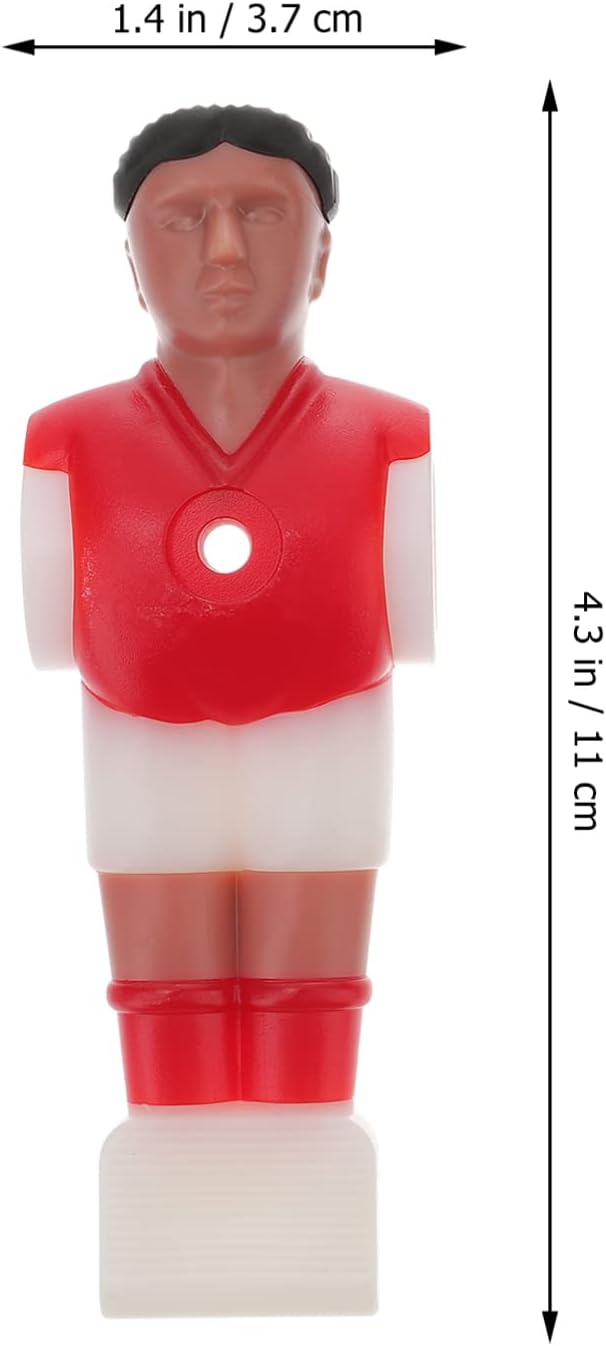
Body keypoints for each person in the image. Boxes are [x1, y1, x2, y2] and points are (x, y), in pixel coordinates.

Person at [21, 101, 435, 1312]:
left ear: (323, 252)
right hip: (141, 766)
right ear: (129, 259)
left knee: (315, 1005)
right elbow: (51, 625)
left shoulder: (393, 440)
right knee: (165, 1006)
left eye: (263, 214)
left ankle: (304, 1245)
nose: (223, 252)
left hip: (327, 761)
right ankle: (175, 1244)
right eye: (181, 219)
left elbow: (412, 607)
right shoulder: (67, 442)